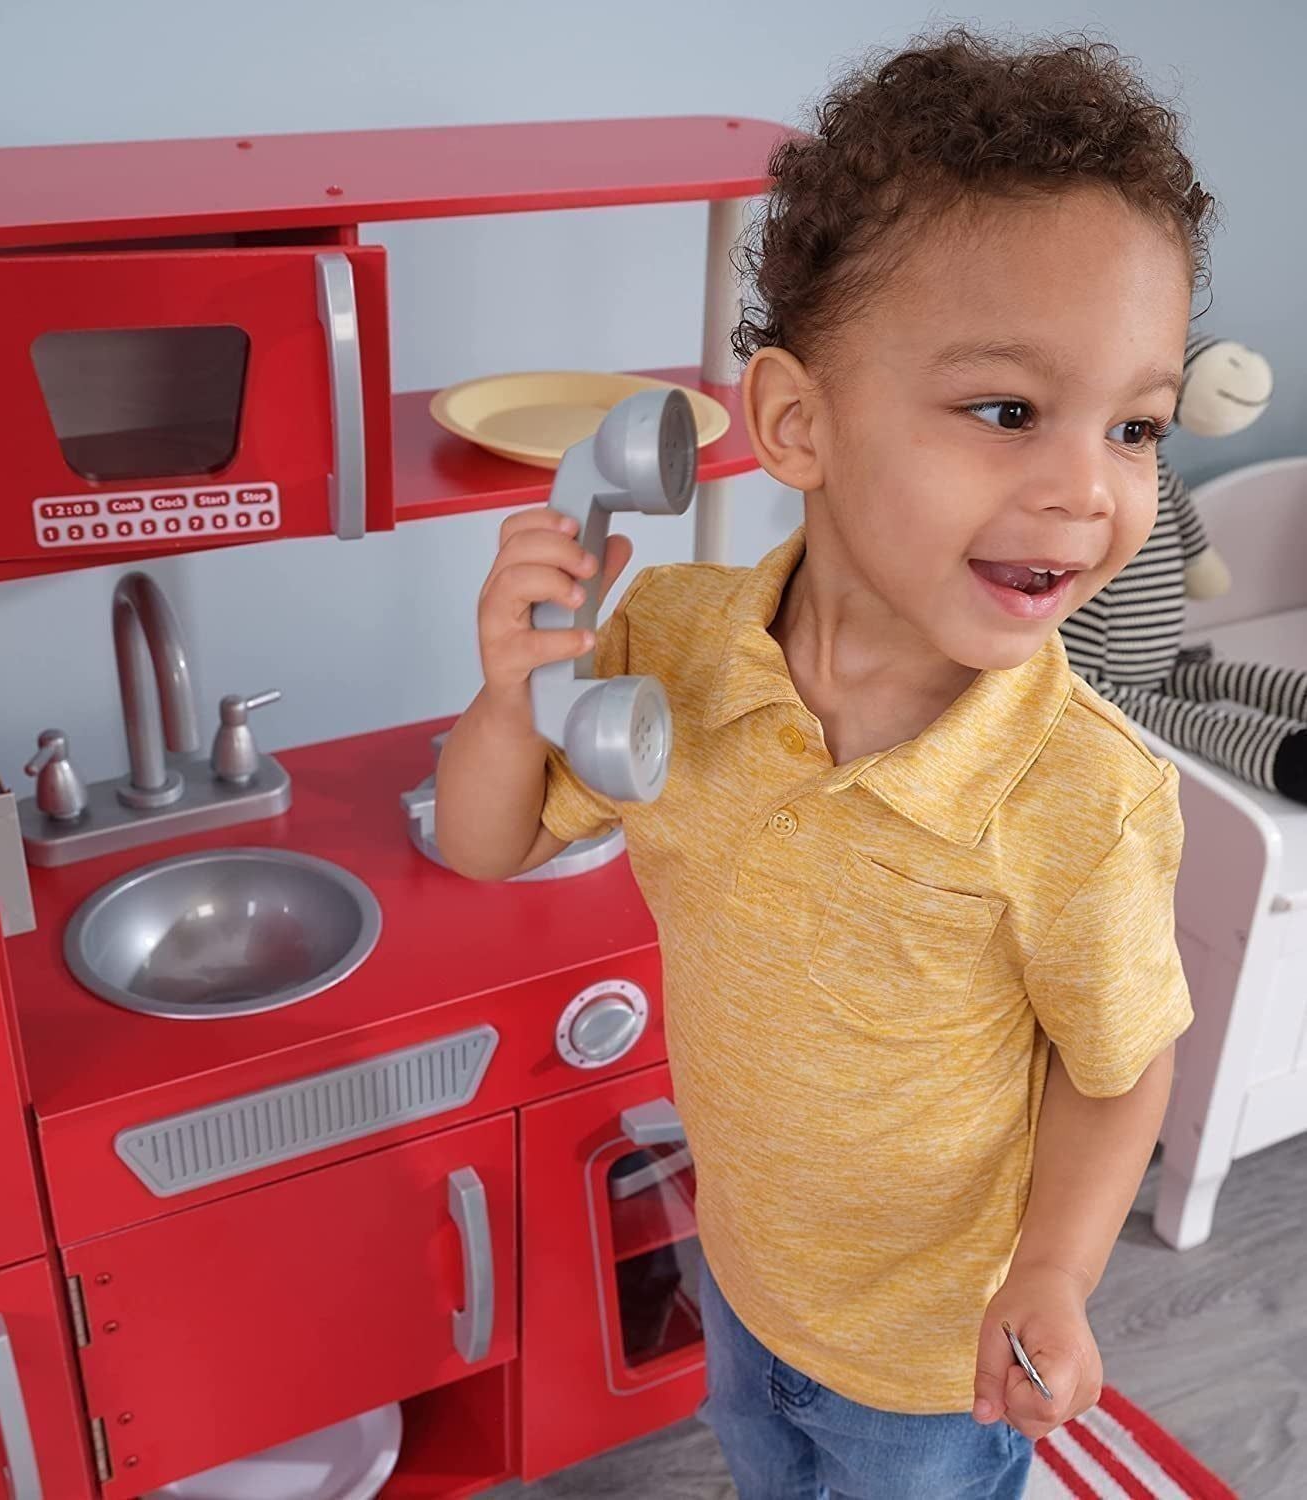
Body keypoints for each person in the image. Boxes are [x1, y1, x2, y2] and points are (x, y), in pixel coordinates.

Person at [435, 25, 1208, 1498]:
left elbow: (1122, 1070)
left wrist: (1053, 1271)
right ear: (799, 422)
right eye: (1007, 411)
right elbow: (490, 842)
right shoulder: (671, 644)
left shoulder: (1082, 797)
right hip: (745, 1265)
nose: (1085, 489)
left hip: (935, 1358)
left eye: (1136, 427)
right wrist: (508, 694)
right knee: (758, 1463)